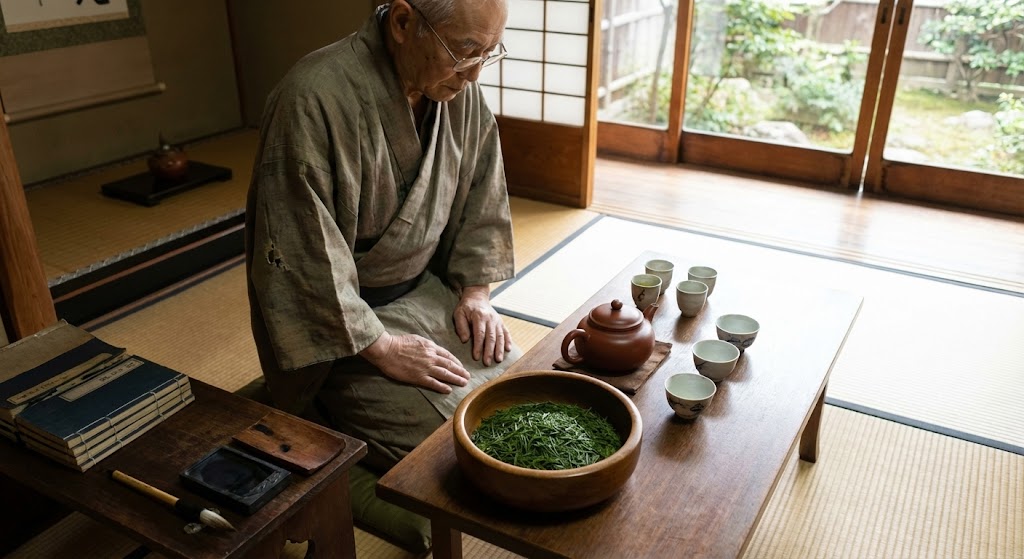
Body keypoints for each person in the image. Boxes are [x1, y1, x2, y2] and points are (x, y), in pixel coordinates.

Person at [245, 0, 519, 473]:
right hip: (343, 330)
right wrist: (384, 347)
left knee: (515, 394)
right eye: (465, 51)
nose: (473, 75)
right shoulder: (311, 98)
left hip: (424, 294)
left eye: (488, 53)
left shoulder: (457, 91)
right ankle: (321, 409)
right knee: (460, 444)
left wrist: (476, 295)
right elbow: (299, 250)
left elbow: (482, 190)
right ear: (403, 22)